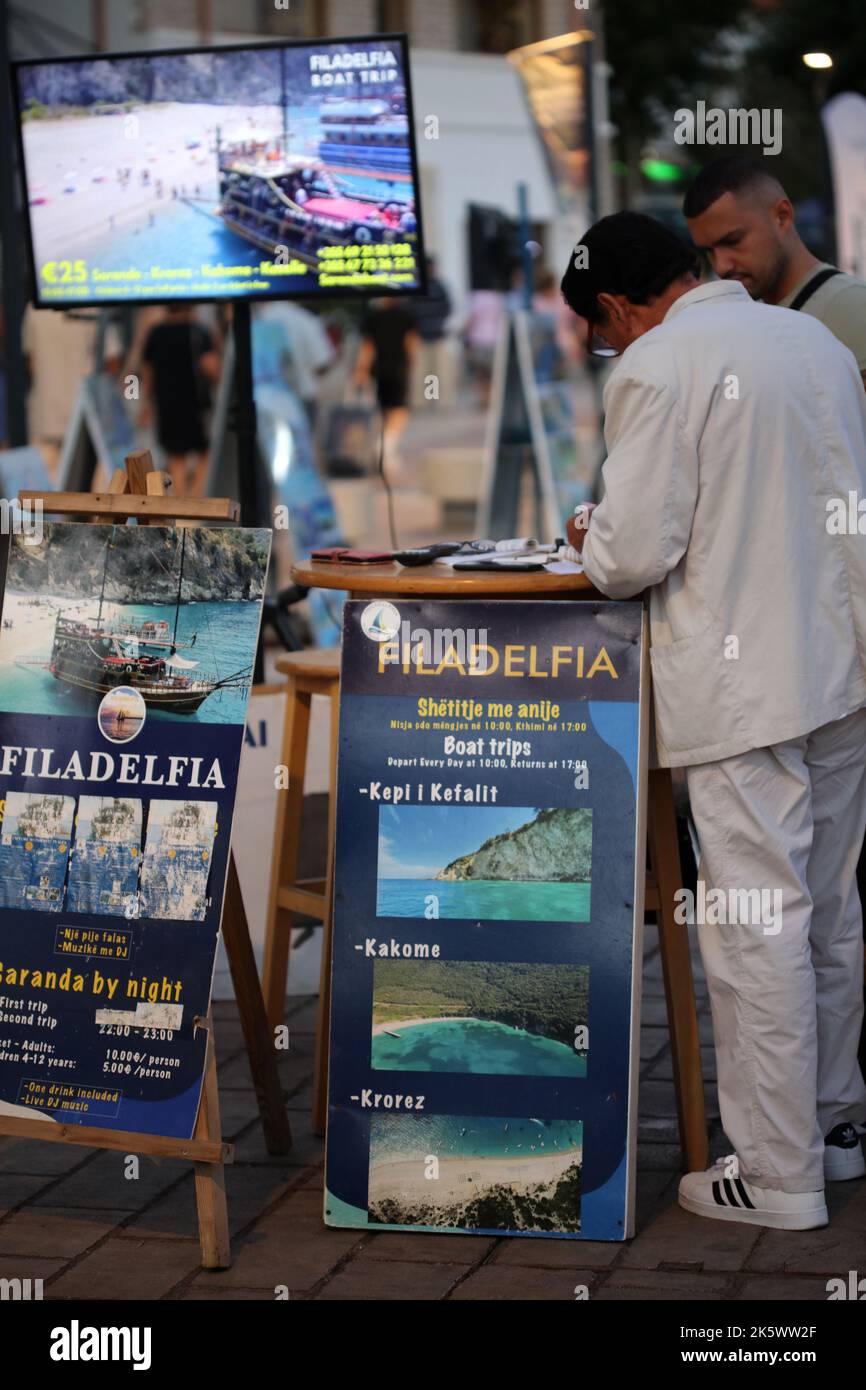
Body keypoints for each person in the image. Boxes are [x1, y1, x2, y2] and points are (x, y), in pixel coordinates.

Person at [560, 211, 866, 1230]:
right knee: (825, 909)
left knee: (753, 926)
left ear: (614, 307)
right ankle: (830, 1127)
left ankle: (776, 1175)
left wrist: (588, 535)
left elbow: (631, 551)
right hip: (839, 664)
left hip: (741, 691)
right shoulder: (809, 338)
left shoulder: (654, 367)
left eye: (604, 330)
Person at [683, 154, 866, 386]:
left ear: (782, 216)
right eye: (708, 251)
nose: (721, 266)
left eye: (733, 241)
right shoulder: (747, 316)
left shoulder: (853, 307)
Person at [141, 304, 221, 497]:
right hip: (196, 403)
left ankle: (180, 499)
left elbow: (147, 373)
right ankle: (197, 496)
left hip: (166, 403)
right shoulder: (199, 332)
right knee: (206, 451)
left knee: (176, 456)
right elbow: (211, 368)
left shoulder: (156, 333)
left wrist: (145, 403)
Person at [353, 297, 420, 469]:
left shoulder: (372, 316)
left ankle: (385, 446)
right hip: (398, 370)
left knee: (384, 410)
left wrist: (360, 372)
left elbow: (367, 348)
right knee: (399, 410)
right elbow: (411, 345)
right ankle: (386, 447)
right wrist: (413, 368)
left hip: (378, 371)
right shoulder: (406, 316)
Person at [253, 299, 335, 432]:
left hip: (267, 400)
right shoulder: (305, 319)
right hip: (303, 397)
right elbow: (322, 362)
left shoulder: (260, 318)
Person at [409, 254, 453, 408]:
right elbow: (410, 310)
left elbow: (448, 307)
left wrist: (437, 321)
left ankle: (436, 400)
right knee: (423, 373)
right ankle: (424, 401)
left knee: (436, 372)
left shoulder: (439, 287)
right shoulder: (416, 286)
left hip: (436, 334)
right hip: (421, 335)